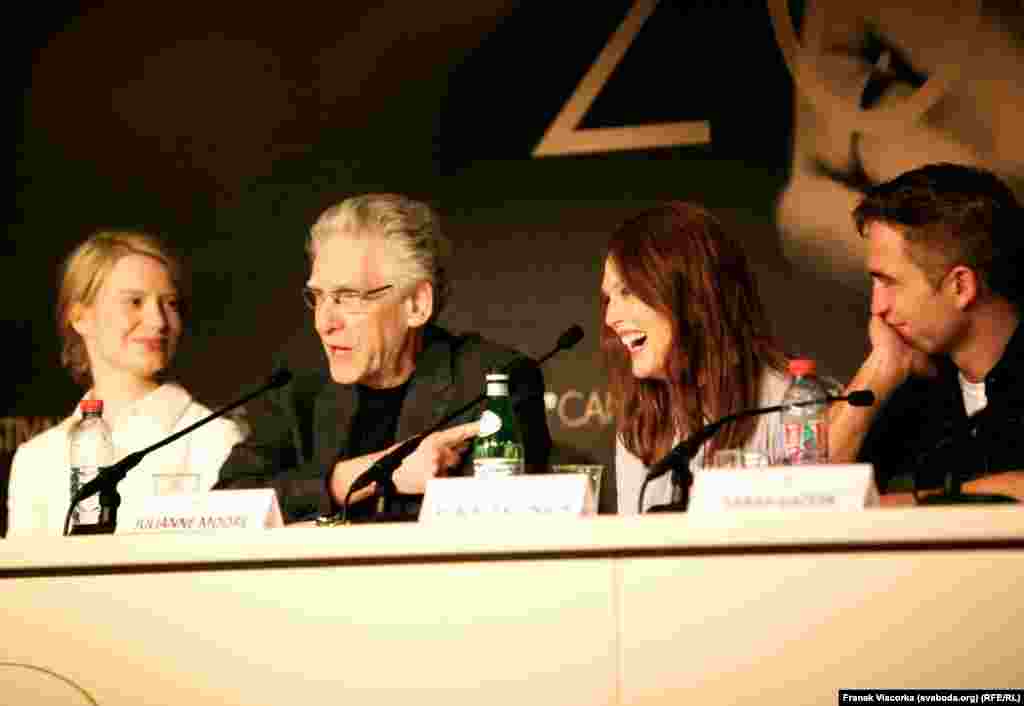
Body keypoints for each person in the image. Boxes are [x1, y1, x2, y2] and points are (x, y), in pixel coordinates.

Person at [214, 193, 552, 523]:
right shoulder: (299, 393)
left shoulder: (491, 382)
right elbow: (229, 505)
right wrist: (366, 475)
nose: (324, 323)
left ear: (416, 304)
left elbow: (503, 522)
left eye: (348, 297)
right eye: (318, 297)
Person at [7, 231, 245, 536]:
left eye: (170, 304)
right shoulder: (36, 459)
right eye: (134, 302)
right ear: (80, 317)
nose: (158, 321)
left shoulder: (216, 440)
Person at [829, 163, 1024, 498]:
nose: (877, 308)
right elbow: (804, 497)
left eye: (889, 282)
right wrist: (880, 368)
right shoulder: (914, 381)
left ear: (961, 286)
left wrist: (908, 506)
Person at [601, 202, 791, 514]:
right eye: (609, 298)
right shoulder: (641, 422)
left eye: (627, 292)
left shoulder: (792, 404)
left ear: (689, 294)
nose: (610, 317)